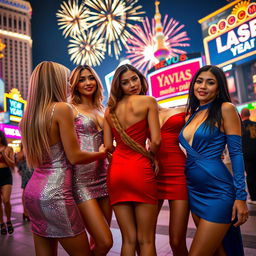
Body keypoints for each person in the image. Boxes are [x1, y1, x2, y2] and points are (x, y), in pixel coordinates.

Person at [20, 61, 107, 256]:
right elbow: (74, 156)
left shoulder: (28, 117)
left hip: (33, 192)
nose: (69, 85)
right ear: (55, 82)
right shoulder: (61, 108)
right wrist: (102, 153)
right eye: (67, 80)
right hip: (56, 192)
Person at [179, 65, 248, 256]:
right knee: (219, 252)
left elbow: (236, 154)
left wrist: (241, 197)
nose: (203, 86)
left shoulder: (226, 109)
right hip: (194, 190)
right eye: (199, 81)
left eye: (210, 82)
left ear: (219, 88)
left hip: (218, 191)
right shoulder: (191, 114)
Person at [104, 64, 161, 256]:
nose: (132, 84)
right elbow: (156, 140)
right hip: (140, 170)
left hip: (117, 172)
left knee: (128, 239)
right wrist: (152, 156)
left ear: (139, 78)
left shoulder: (109, 110)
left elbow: (108, 146)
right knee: (146, 240)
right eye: (126, 82)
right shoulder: (148, 101)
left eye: (134, 79)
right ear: (119, 86)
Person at [69, 65, 113, 255]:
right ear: (75, 85)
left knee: (97, 242)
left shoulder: (103, 110)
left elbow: (110, 145)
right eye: (82, 79)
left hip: (105, 178)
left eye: (91, 78)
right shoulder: (70, 110)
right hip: (81, 182)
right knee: (105, 242)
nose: (88, 83)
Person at [156, 106, 189, 255]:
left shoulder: (182, 109)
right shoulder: (140, 116)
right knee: (143, 237)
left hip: (178, 172)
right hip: (153, 175)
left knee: (176, 241)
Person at [0, 130, 15, 235]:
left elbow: (12, 164)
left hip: (6, 175)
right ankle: (1, 223)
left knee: (6, 200)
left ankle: (9, 220)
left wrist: (4, 155)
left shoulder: (8, 149)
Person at [241, 107, 256, 204]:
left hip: (246, 155)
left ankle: (254, 197)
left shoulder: (240, 126)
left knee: (250, 175)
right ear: (249, 115)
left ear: (241, 115)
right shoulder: (255, 124)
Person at [15, 143, 33, 221]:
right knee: (26, 192)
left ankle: (27, 212)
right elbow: (18, 163)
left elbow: (18, 165)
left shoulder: (26, 152)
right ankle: (26, 212)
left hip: (30, 172)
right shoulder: (24, 152)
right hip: (28, 173)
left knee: (28, 192)